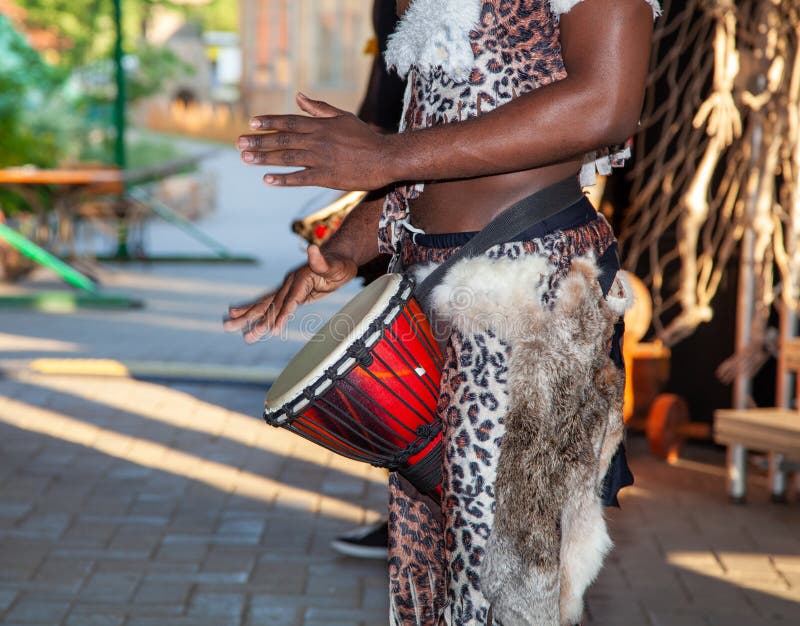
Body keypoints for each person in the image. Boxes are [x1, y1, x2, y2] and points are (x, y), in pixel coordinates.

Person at [226, 0, 659, 624]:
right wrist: (347, 245)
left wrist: (382, 157)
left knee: (508, 590)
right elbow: (441, 164)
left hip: (528, 295)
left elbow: (604, 104)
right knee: (428, 584)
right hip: (430, 295)